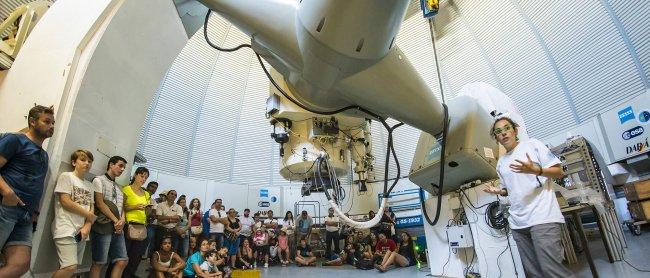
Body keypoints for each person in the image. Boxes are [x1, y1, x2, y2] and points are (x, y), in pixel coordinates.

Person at [483, 117, 575, 278]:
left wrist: (536, 170)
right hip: (518, 223)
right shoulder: (501, 163)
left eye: (507, 128)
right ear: (496, 137)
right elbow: (508, 190)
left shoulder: (532, 145)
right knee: (533, 274)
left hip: (542, 217)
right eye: (498, 132)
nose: (503, 133)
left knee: (552, 271)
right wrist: (499, 191)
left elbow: (559, 171)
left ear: (515, 131)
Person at [0, 105, 54, 277]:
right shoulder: (15, 140)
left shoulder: (44, 155)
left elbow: (38, 184)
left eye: (53, 123)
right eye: (47, 122)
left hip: (25, 216)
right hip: (6, 208)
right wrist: (8, 193)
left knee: (21, 264)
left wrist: (36, 213)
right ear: (32, 122)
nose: (51, 126)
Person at [51, 150, 97, 278]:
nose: (87, 163)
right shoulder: (67, 176)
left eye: (89, 161)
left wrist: (87, 226)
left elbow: (91, 206)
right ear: (73, 162)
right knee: (69, 267)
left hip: (81, 231)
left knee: (70, 268)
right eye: (83, 160)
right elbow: (65, 201)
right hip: (65, 227)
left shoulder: (90, 185)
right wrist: (90, 216)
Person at [89, 156, 128, 278]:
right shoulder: (98, 180)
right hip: (103, 225)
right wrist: (116, 220)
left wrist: (122, 220)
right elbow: (100, 203)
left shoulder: (119, 187)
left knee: (122, 260)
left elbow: (122, 207)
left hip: (118, 228)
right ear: (111, 164)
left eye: (124, 168)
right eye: (120, 165)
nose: (122, 169)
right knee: (99, 262)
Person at [122, 166, 152, 278]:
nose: (143, 179)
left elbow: (147, 213)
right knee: (122, 257)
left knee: (135, 257)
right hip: (128, 225)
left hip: (141, 226)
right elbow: (121, 207)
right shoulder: (127, 189)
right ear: (135, 175)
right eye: (142, 176)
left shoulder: (146, 194)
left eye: (146, 177)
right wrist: (134, 206)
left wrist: (148, 209)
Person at [145, 181, 159, 257]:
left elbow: (153, 215)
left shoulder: (153, 201)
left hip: (147, 224)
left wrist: (150, 213)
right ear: (148, 186)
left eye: (155, 188)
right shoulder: (141, 195)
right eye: (152, 186)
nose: (153, 189)